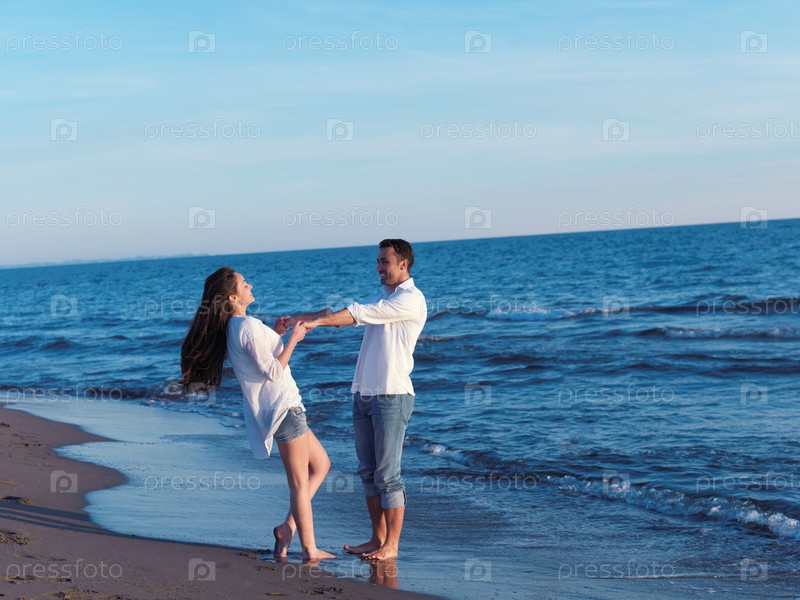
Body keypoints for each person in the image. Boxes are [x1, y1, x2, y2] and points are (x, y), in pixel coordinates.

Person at [180, 266, 334, 561]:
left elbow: (259, 361)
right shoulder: (246, 326)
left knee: (321, 464)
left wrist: (277, 333)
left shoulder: (235, 327)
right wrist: (294, 339)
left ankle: (287, 529)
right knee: (299, 484)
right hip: (283, 408)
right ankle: (310, 550)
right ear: (232, 297)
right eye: (243, 283)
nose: (249, 285)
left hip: (282, 407)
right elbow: (273, 372)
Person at [293, 239, 426, 561]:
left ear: (403, 264)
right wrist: (298, 318)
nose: (378, 267)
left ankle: (392, 545)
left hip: (391, 396)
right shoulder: (383, 296)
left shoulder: (411, 299)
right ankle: (376, 539)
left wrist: (318, 323)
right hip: (363, 395)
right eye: (378, 261)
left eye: (384, 262)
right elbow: (341, 311)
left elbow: (357, 315)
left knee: (388, 475)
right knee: (368, 472)